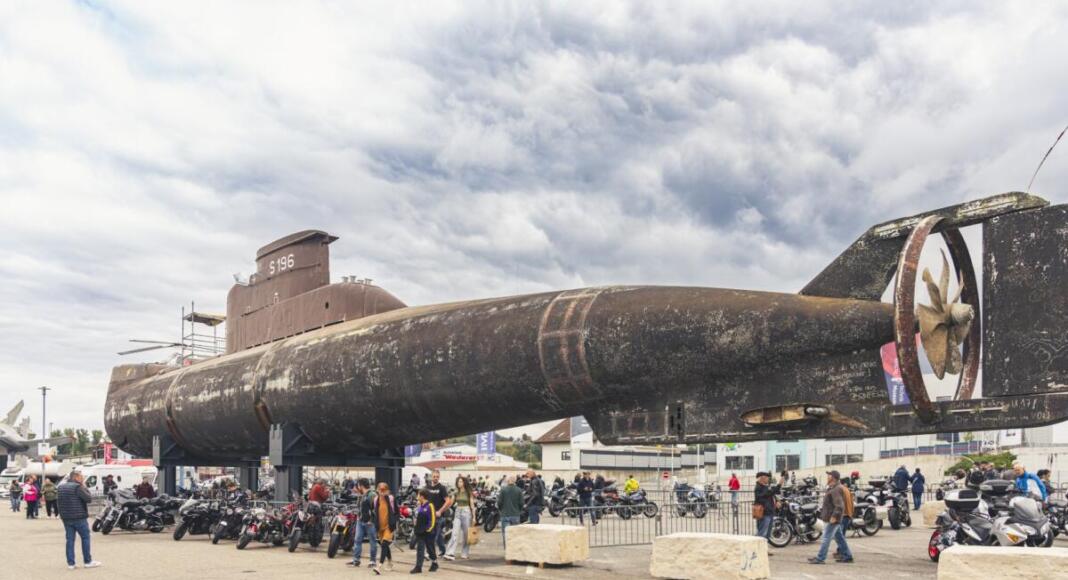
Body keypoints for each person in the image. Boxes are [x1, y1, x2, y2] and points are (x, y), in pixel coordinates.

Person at [58, 470, 102, 570]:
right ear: (76, 477)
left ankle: (71, 563)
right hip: (79, 517)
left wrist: (62, 515)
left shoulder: (60, 487)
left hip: (66, 518)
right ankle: (87, 561)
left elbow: (58, 503)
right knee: (85, 538)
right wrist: (84, 486)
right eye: (81, 476)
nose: (82, 478)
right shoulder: (78, 487)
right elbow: (88, 499)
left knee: (70, 540)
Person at [808, 470, 853, 565]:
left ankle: (820, 558)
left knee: (826, 538)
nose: (827, 477)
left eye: (829, 475)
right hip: (831, 518)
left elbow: (840, 506)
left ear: (833, 478)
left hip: (832, 519)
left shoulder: (836, 489)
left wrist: (834, 516)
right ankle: (847, 556)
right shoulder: (833, 488)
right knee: (840, 538)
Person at [348, 478, 378, 570]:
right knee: (357, 540)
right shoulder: (361, 495)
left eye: (358, 485)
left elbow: (377, 509)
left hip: (370, 522)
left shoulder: (372, 495)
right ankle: (356, 560)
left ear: (361, 485)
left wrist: (371, 519)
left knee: (372, 541)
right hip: (360, 521)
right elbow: (360, 508)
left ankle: (372, 561)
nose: (357, 487)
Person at [444, 476, 475, 561]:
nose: (459, 483)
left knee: (466, 535)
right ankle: (450, 552)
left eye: (461, 481)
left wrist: (474, 517)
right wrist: (444, 509)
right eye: (458, 482)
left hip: (466, 512)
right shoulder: (456, 492)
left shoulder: (468, 492)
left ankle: (465, 553)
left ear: (464, 482)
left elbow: (472, 505)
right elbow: (451, 503)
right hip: (457, 512)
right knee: (454, 533)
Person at [425, 470, 452, 555]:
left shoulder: (442, 488)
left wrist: (440, 511)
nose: (435, 478)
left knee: (433, 535)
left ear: (439, 477)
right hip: (429, 515)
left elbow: (448, 501)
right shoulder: (427, 487)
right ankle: (443, 550)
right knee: (437, 535)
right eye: (434, 476)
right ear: (431, 477)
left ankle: (429, 553)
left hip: (438, 516)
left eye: (437, 477)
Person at [411, 489, 439, 574]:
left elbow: (432, 520)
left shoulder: (430, 506)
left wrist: (428, 530)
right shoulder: (420, 506)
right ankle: (418, 567)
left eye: (418, 495)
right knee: (420, 549)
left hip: (428, 533)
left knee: (430, 549)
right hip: (420, 532)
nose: (417, 497)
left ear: (422, 497)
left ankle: (434, 562)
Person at [374, 481, 398, 573]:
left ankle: (379, 566)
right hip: (380, 527)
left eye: (384, 490)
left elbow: (397, 512)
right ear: (377, 490)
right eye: (380, 490)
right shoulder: (376, 499)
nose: (382, 492)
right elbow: (375, 513)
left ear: (388, 490)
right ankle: (390, 562)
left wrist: (394, 522)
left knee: (384, 544)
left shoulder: (391, 498)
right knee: (385, 546)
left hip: (389, 526)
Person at [498, 475, 524, 553]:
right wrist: (518, 510)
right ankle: (514, 552)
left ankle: (508, 552)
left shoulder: (503, 490)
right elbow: (521, 503)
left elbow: (499, 502)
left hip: (505, 514)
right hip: (515, 515)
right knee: (515, 534)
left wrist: (501, 510)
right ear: (515, 481)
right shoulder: (519, 490)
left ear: (507, 481)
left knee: (506, 535)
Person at [753, 472, 776, 541]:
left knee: (767, 535)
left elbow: (771, 495)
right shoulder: (758, 488)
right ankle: (754, 548)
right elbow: (763, 496)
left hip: (769, 512)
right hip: (764, 513)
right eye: (767, 478)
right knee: (761, 534)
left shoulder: (765, 487)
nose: (768, 480)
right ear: (763, 478)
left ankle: (763, 549)